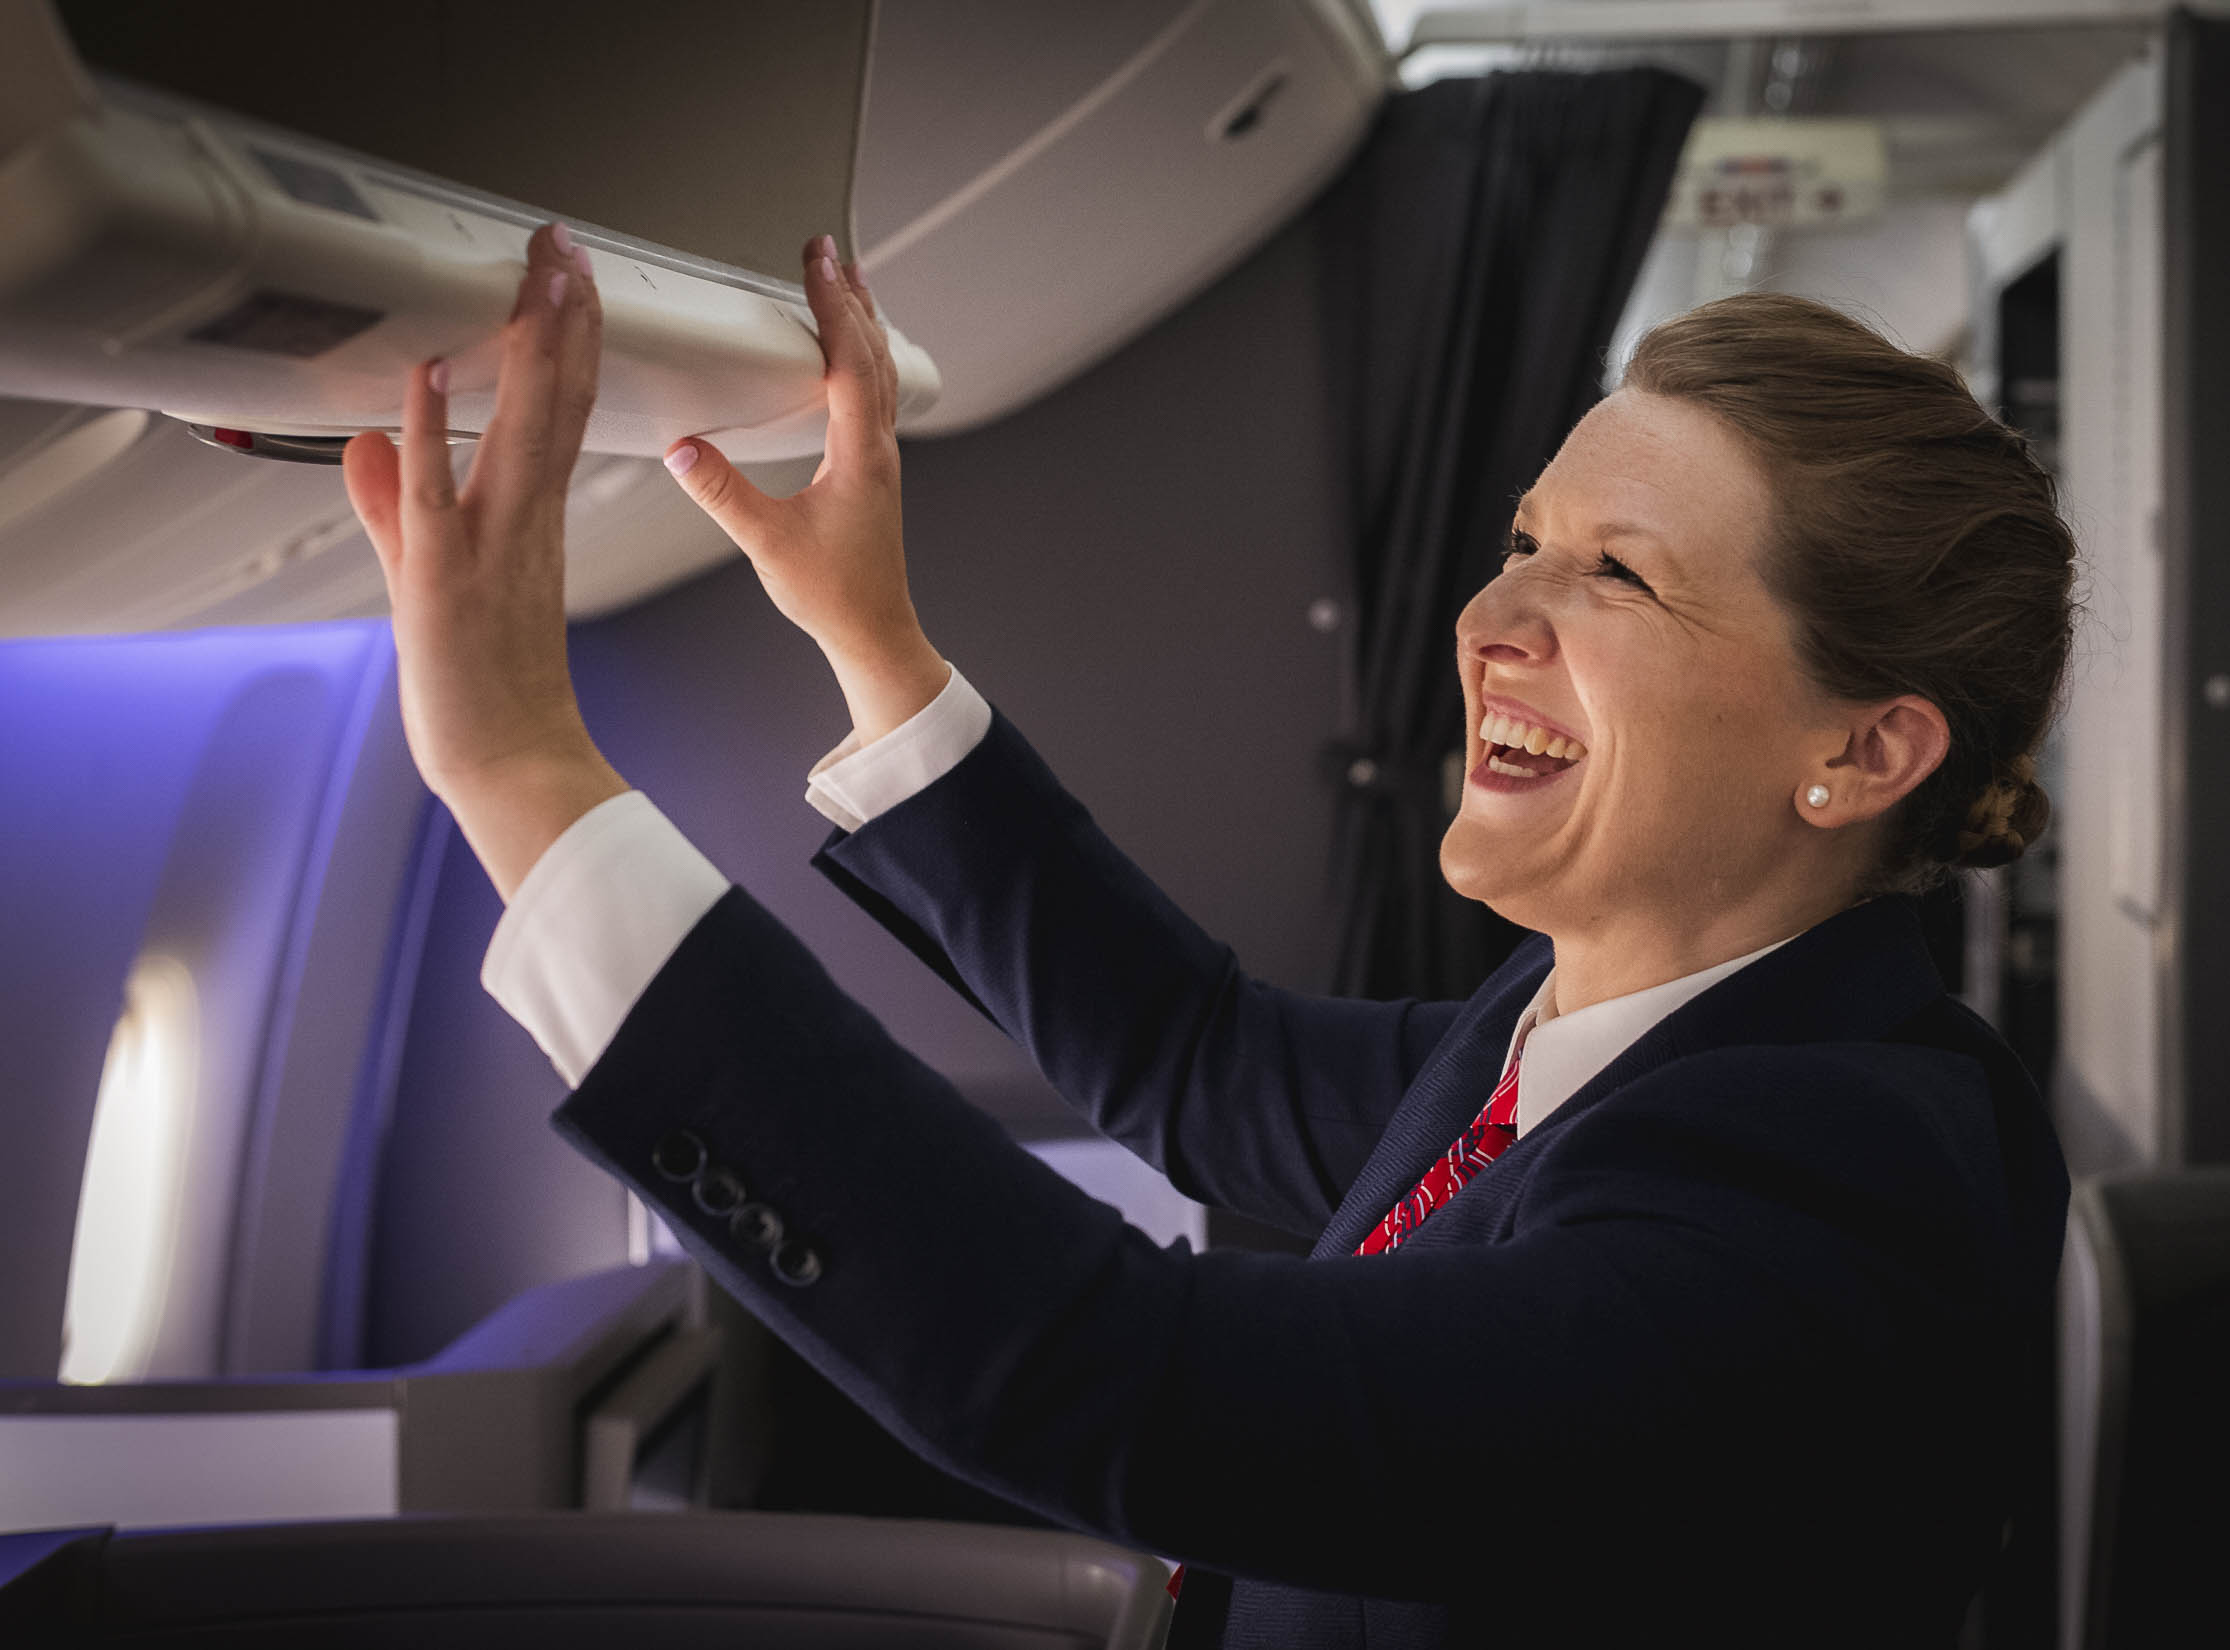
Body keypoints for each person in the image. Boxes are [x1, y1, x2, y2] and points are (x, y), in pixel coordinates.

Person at [342, 221, 2074, 1647]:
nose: (1488, 619)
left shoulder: (1825, 1208)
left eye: (1616, 575)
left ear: (1859, 753)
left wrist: (518, 776)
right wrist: (874, 643)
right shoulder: (1592, 1030)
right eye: (1523, 542)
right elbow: (1197, 1055)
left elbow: (1129, 1378)